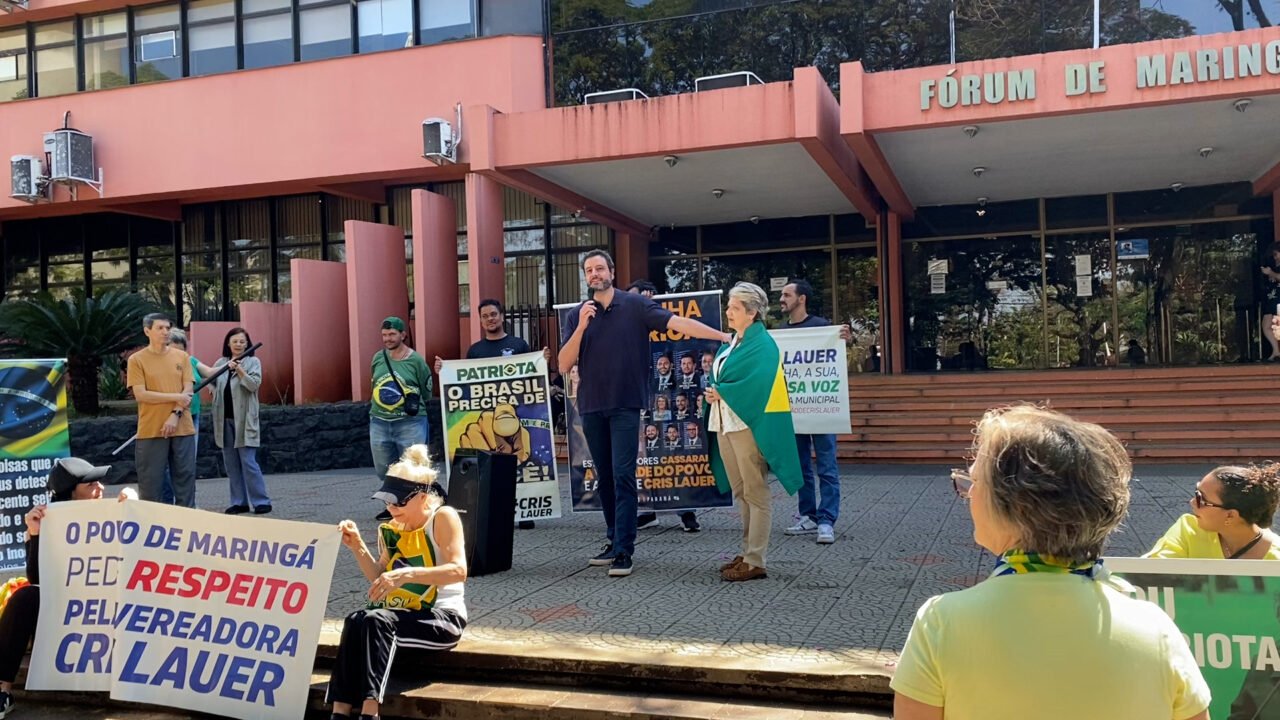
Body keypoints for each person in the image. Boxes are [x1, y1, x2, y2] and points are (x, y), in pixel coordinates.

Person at [892, 406, 1211, 720]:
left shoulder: (939, 623)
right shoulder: (1156, 628)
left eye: (974, 483)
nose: (968, 494)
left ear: (1015, 505)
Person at [559, 250, 729, 577]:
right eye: (589, 270)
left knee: (623, 474)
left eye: (599, 268)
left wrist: (721, 335)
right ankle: (613, 540)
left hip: (625, 404)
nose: (595, 274)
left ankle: (625, 550)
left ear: (611, 271)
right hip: (592, 405)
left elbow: (677, 322)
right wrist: (581, 326)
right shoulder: (578, 314)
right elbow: (564, 364)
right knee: (604, 477)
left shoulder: (635, 305)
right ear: (586, 277)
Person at [328, 445, 467, 720]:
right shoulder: (394, 527)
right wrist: (356, 545)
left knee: (376, 621)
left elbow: (458, 570)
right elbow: (379, 576)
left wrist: (407, 574)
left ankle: (370, 712)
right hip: (403, 611)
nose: (391, 507)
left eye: (399, 501)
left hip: (442, 616)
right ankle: (339, 711)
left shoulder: (443, 517)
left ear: (423, 496)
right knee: (356, 619)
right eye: (387, 501)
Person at [0, 458, 135, 717]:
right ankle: (3, 690)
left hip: (112, 606)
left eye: (99, 482)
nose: (101, 488)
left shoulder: (121, 510)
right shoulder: (47, 522)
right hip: (68, 612)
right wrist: (36, 534)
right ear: (71, 494)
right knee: (25, 596)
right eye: (91, 484)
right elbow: (38, 577)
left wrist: (136, 507)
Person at [705, 282, 802, 582]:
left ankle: (756, 558)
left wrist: (722, 392)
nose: (728, 312)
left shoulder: (763, 344)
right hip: (724, 423)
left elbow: (758, 382)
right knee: (741, 491)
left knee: (756, 492)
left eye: (734, 308)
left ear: (752, 312)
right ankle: (747, 552)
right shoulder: (734, 342)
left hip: (747, 424)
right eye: (729, 306)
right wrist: (717, 392)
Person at [434, 298, 551, 530]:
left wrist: (542, 363)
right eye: (485, 316)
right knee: (490, 464)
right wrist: (443, 371)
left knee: (517, 462)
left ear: (502, 316)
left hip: (513, 415)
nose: (490, 319)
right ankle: (495, 511)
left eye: (493, 314)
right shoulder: (475, 351)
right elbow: (464, 384)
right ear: (480, 321)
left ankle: (524, 511)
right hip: (485, 417)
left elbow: (532, 378)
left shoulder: (519, 345)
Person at [778, 280, 851, 545]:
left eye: (787, 294)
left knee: (827, 467)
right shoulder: (781, 332)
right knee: (800, 467)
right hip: (793, 410)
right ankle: (807, 515)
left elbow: (837, 352)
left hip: (821, 407)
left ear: (802, 298)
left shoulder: (822, 327)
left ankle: (826, 520)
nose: (782, 299)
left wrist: (845, 338)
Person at [127, 312, 196, 505]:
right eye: (160, 328)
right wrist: (177, 397)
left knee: (186, 481)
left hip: (183, 427)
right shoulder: (136, 360)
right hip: (151, 430)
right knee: (151, 485)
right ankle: (152, 529)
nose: (165, 332)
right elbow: (141, 395)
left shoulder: (182, 357)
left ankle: (187, 528)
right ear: (147, 331)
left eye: (168, 328)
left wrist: (175, 415)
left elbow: (188, 390)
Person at [1145, 463, 1280, 560]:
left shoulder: (1275, 559)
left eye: (1201, 499)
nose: (1192, 502)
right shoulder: (1188, 529)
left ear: (1231, 515)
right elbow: (1153, 575)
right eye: (1196, 492)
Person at [369, 316, 432, 522]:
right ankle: (393, 506)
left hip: (410, 422)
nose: (387, 339)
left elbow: (426, 389)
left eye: (392, 334)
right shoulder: (378, 357)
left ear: (403, 335)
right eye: (384, 335)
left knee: (412, 467)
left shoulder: (415, 360)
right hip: (379, 420)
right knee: (383, 467)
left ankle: (414, 508)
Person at [211, 327, 271, 515]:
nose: (238, 345)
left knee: (248, 461)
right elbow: (211, 380)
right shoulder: (221, 363)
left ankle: (261, 501)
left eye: (242, 342)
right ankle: (239, 502)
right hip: (224, 419)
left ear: (247, 344)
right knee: (231, 463)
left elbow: (253, 385)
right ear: (228, 343)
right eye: (235, 341)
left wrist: (241, 371)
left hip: (244, 420)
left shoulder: (253, 362)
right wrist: (212, 388)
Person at [161, 328, 207, 504]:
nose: (178, 355)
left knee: (187, 466)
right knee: (165, 465)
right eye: (173, 350)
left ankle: (188, 507)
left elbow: (210, 372)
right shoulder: (161, 366)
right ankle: (167, 503)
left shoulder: (191, 361)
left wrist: (231, 364)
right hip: (167, 418)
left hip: (191, 417)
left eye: (181, 351)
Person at [1261, 243, 1280, 361]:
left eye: (1276, 254)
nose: (1275, 257)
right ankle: (1276, 351)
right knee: (1266, 325)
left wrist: (1270, 273)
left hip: (1278, 300)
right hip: (1272, 299)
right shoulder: (1274, 266)